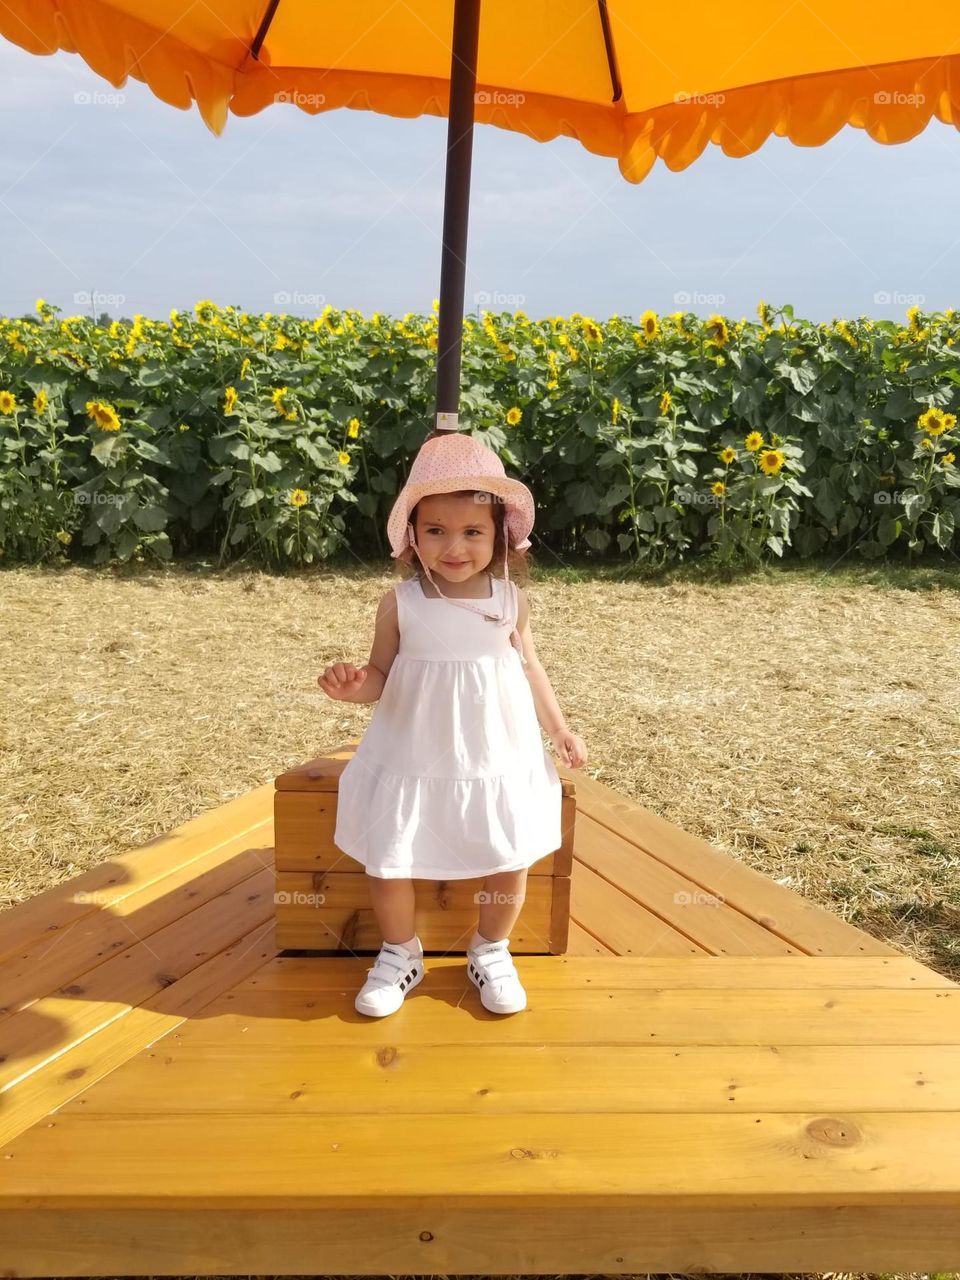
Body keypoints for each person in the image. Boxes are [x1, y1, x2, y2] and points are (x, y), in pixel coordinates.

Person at [318, 429, 587, 1019]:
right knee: (390, 854)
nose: (454, 546)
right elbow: (379, 675)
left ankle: (491, 947)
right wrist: (351, 687)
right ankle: (399, 951)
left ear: (501, 537)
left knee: (507, 854)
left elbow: (531, 664)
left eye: (473, 531)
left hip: (496, 754)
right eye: (436, 530)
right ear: (412, 536)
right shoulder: (400, 603)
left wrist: (560, 728)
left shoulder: (510, 601)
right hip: (412, 752)